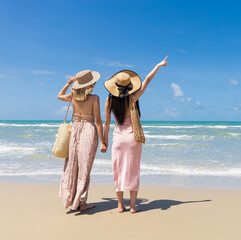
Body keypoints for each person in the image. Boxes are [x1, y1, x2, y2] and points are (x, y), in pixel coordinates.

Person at [103, 56, 168, 213]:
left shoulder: (109, 101)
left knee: (117, 171)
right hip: (133, 139)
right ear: (129, 86)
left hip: (118, 139)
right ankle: (132, 207)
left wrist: (104, 141)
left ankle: (120, 205)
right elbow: (147, 80)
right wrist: (158, 65)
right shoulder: (133, 98)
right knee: (133, 170)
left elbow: (106, 123)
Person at [57, 70, 107, 211]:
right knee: (85, 167)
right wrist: (103, 141)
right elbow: (97, 121)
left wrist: (68, 83)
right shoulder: (94, 98)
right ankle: (81, 202)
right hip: (88, 131)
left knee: (72, 165)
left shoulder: (73, 96)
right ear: (90, 84)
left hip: (76, 130)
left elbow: (59, 96)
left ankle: (72, 199)